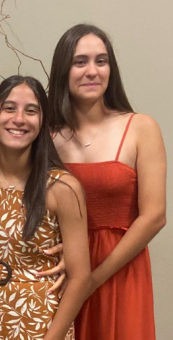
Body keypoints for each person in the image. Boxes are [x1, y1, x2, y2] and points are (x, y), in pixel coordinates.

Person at [48, 24, 166, 340]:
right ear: (63, 70)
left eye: (101, 61)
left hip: (120, 272)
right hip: (60, 275)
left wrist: (91, 279)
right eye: (80, 62)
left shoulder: (141, 127)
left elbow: (154, 216)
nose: (92, 71)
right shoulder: (45, 137)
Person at [0, 75, 91, 340]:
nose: (19, 119)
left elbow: (80, 279)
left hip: (38, 321)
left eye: (31, 111)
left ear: (42, 121)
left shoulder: (62, 188)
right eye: (9, 108)